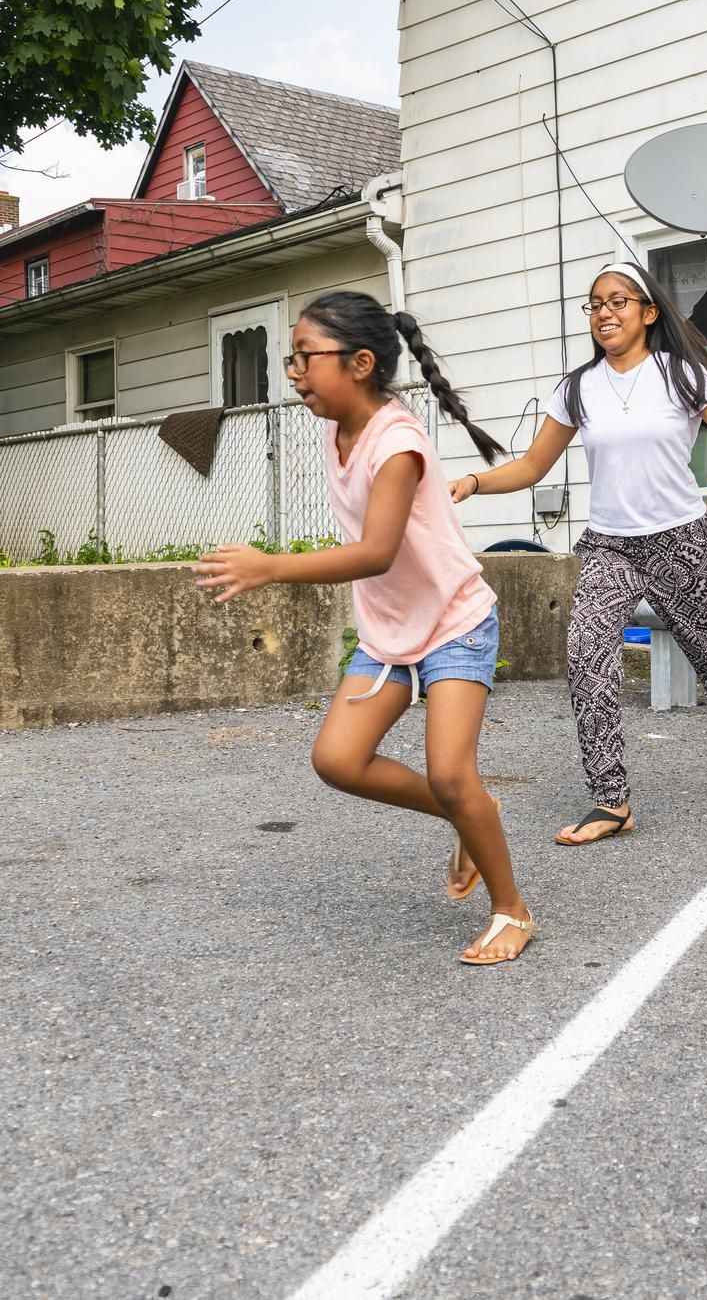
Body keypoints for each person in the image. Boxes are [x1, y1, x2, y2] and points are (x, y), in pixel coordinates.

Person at [194, 292, 538, 965]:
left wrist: (270, 567)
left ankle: (511, 910)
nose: (293, 372)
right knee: (337, 760)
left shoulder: (397, 444)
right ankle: (464, 813)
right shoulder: (335, 428)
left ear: (359, 362)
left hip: (454, 622)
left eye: (305, 358)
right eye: (289, 358)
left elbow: (377, 550)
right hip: (388, 630)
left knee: (449, 771)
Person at [450, 260, 707, 845]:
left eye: (619, 301)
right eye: (596, 303)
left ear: (649, 313)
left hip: (681, 537)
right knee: (585, 654)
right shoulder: (577, 388)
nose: (605, 312)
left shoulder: (681, 374)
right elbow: (531, 465)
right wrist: (473, 483)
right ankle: (610, 799)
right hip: (608, 545)